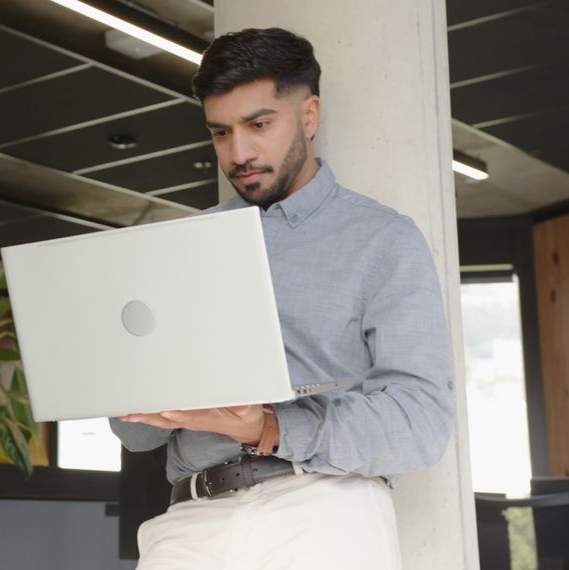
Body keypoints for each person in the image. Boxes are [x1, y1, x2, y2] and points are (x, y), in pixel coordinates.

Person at [109, 27, 455, 569]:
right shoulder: (175, 247)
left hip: (323, 512)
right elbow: (132, 435)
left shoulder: (383, 239)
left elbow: (422, 423)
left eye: (259, 125)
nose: (239, 152)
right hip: (190, 520)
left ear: (309, 116)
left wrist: (268, 425)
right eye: (220, 132)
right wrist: (143, 382)